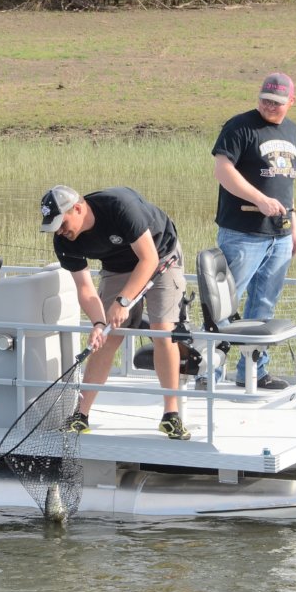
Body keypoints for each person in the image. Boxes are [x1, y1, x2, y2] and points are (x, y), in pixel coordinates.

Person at [40, 185, 191, 440]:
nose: (60, 231)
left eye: (62, 223)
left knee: (162, 332)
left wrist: (123, 301)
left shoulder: (119, 206)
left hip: (160, 256)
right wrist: (98, 323)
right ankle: (81, 415)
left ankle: (171, 415)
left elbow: (148, 260)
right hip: (117, 267)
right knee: (106, 338)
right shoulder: (64, 241)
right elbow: (85, 288)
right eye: (54, 226)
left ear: (77, 208)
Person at [211, 71, 296, 390]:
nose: (270, 106)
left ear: (291, 102)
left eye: (278, 102)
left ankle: (253, 371)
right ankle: (206, 372)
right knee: (224, 304)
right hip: (241, 234)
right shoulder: (239, 126)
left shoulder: (294, 132)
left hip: (279, 236)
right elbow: (223, 171)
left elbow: (289, 185)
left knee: (264, 305)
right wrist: (260, 200)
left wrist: (294, 228)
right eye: (265, 100)